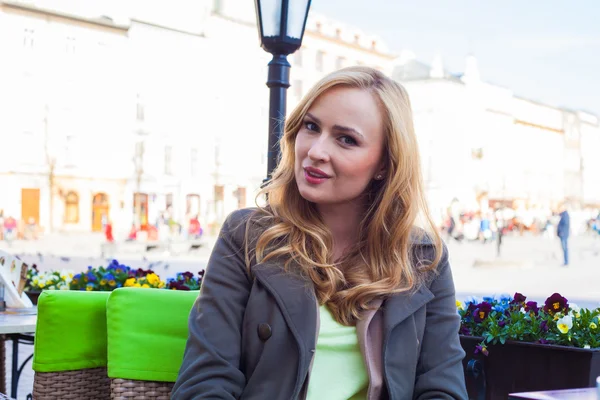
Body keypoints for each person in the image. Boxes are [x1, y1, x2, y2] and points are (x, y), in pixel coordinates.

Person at [172, 67, 467, 399]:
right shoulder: (246, 235)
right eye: (311, 127)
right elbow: (205, 380)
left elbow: (442, 389)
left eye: (346, 139)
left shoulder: (424, 259)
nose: (315, 151)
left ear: (384, 164)